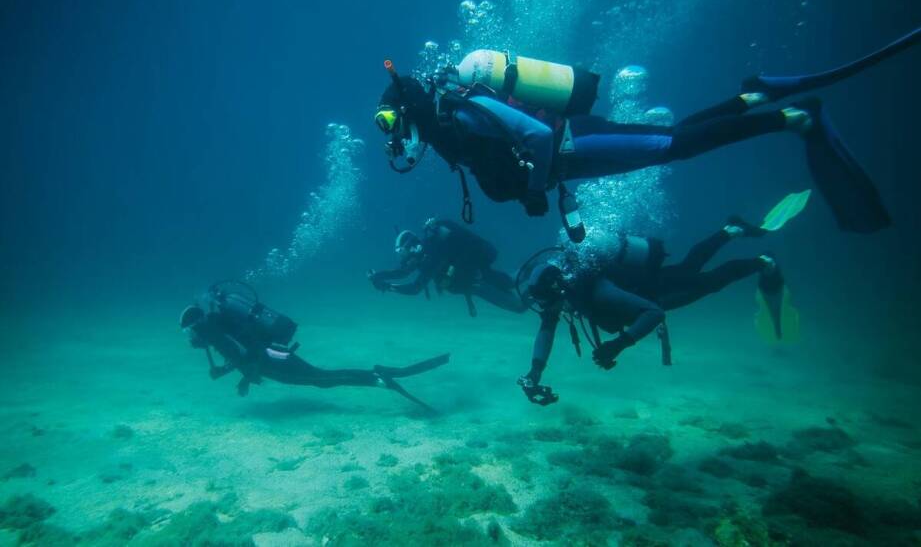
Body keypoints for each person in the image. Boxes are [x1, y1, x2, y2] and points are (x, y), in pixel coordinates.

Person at [375, 27, 920, 236]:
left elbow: (537, 140)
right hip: (575, 154)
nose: (397, 142)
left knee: (674, 146)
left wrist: (537, 191)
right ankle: (753, 99)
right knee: (673, 142)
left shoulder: (462, 113)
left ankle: (789, 118)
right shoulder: (451, 126)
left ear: (407, 112)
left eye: (391, 126)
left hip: (575, 143)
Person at [515, 195, 807, 405]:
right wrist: (534, 372)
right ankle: (730, 231)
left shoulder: (597, 290)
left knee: (709, 282)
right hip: (649, 285)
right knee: (690, 267)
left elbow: (654, 313)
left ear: (558, 289)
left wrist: (619, 344)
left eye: (547, 302)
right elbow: (546, 330)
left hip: (656, 293)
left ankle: (762, 261)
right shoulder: (561, 292)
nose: (548, 310)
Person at [180, 281, 449, 411]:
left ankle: (380, 378)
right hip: (273, 356)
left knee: (322, 379)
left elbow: (243, 354)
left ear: (195, 326)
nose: (191, 339)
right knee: (322, 379)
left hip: (273, 360)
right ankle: (378, 375)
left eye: (189, 332)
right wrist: (241, 376)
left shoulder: (214, 332)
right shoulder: (217, 325)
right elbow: (244, 351)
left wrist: (242, 376)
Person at [367, 218, 528, 316]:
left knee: (517, 300)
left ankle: (540, 271)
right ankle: (537, 270)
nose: (404, 260)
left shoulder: (431, 255)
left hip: (479, 282)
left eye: (403, 254)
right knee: (512, 282)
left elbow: (414, 288)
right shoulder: (424, 257)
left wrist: (388, 287)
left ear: (413, 247)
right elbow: (401, 273)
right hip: (476, 284)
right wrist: (379, 277)